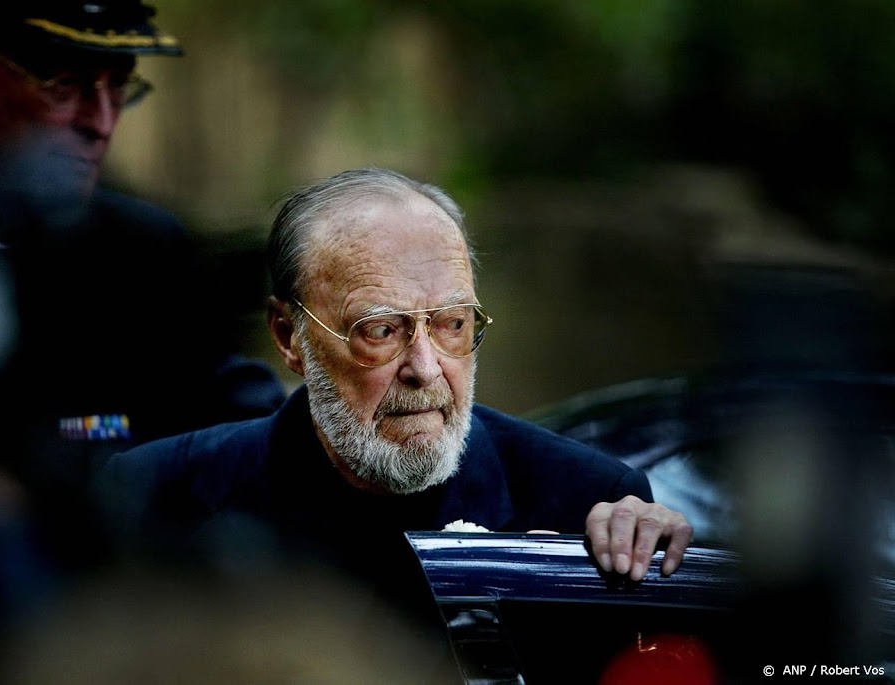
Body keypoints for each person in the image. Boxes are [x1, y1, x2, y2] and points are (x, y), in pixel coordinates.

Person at [99, 168, 694, 673]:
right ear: (288, 336)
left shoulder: (584, 505)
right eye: (381, 330)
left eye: (453, 324)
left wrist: (653, 583)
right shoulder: (154, 496)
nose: (426, 369)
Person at [0, 2, 286, 680]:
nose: (100, 122)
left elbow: (245, 430)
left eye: (118, 87)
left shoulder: (143, 254)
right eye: (62, 84)